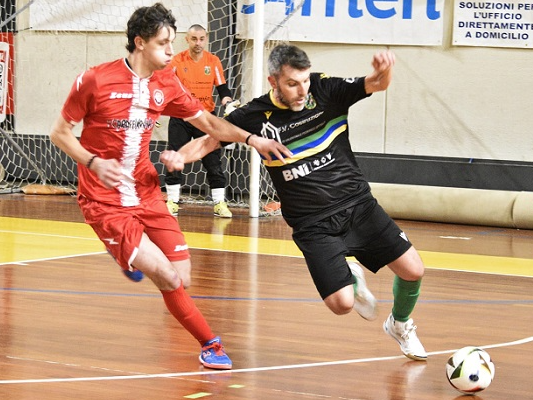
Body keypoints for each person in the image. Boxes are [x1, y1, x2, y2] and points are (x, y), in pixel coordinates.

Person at [49, 3, 291, 370]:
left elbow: (210, 124)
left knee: (183, 276)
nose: (170, 50)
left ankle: (127, 256)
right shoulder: (95, 80)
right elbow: (60, 133)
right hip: (104, 200)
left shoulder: (166, 83)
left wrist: (251, 139)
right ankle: (210, 344)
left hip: (146, 192)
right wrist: (93, 162)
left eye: (171, 42)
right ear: (140, 42)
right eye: (163, 43)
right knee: (166, 275)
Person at [161, 44, 428, 361]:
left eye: (304, 81)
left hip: (358, 205)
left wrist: (385, 70)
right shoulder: (253, 115)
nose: (302, 91)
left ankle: (399, 324)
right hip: (312, 223)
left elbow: (377, 83)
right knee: (341, 305)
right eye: (292, 83)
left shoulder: (325, 90)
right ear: (273, 81)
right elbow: (209, 141)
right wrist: (180, 157)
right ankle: (351, 280)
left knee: (413, 269)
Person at [164, 24, 238, 218]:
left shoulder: (213, 61)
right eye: (194, 39)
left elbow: (222, 88)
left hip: (205, 117)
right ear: (187, 40)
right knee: (175, 156)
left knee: (213, 160)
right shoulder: (176, 61)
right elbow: (164, 86)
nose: (198, 43)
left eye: (202, 39)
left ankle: (219, 203)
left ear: (206, 39)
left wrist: (228, 103)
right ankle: (172, 201)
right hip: (181, 116)